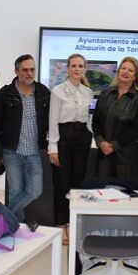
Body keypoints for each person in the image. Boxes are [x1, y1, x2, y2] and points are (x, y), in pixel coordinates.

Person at [0, 54, 50, 222]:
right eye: (25, 70)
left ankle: (2, 215)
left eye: (32, 69)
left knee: (35, 190)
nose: (29, 73)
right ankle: (17, 226)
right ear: (16, 71)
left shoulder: (43, 92)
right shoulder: (5, 93)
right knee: (15, 191)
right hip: (11, 151)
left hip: (34, 151)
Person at [48, 54, 93, 245]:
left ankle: (74, 223)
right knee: (62, 184)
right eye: (73, 65)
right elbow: (52, 121)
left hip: (82, 139)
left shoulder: (88, 92)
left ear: (84, 69)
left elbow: (88, 119)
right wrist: (53, 148)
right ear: (67, 69)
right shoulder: (57, 91)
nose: (76, 69)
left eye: (80, 66)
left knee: (78, 184)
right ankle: (61, 225)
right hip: (64, 139)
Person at [92, 56, 138, 180]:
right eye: (123, 68)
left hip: (127, 158)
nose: (125, 72)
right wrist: (100, 142)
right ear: (118, 72)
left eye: (130, 70)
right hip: (104, 154)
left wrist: (113, 146)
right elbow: (96, 120)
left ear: (135, 76)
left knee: (125, 196)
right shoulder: (105, 93)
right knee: (103, 194)